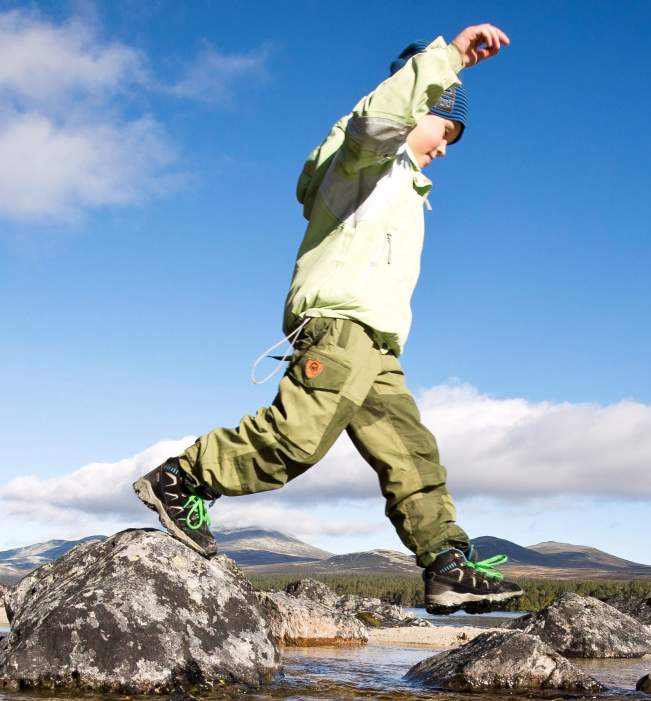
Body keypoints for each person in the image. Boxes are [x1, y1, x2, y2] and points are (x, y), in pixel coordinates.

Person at [135, 24, 523, 614]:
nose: (445, 147)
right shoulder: (362, 164)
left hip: (377, 343)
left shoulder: (404, 185)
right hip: (339, 327)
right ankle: (184, 478)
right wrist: (450, 59)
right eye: (445, 130)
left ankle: (444, 564)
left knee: (411, 452)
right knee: (297, 438)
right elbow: (376, 119)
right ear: (418, 108)